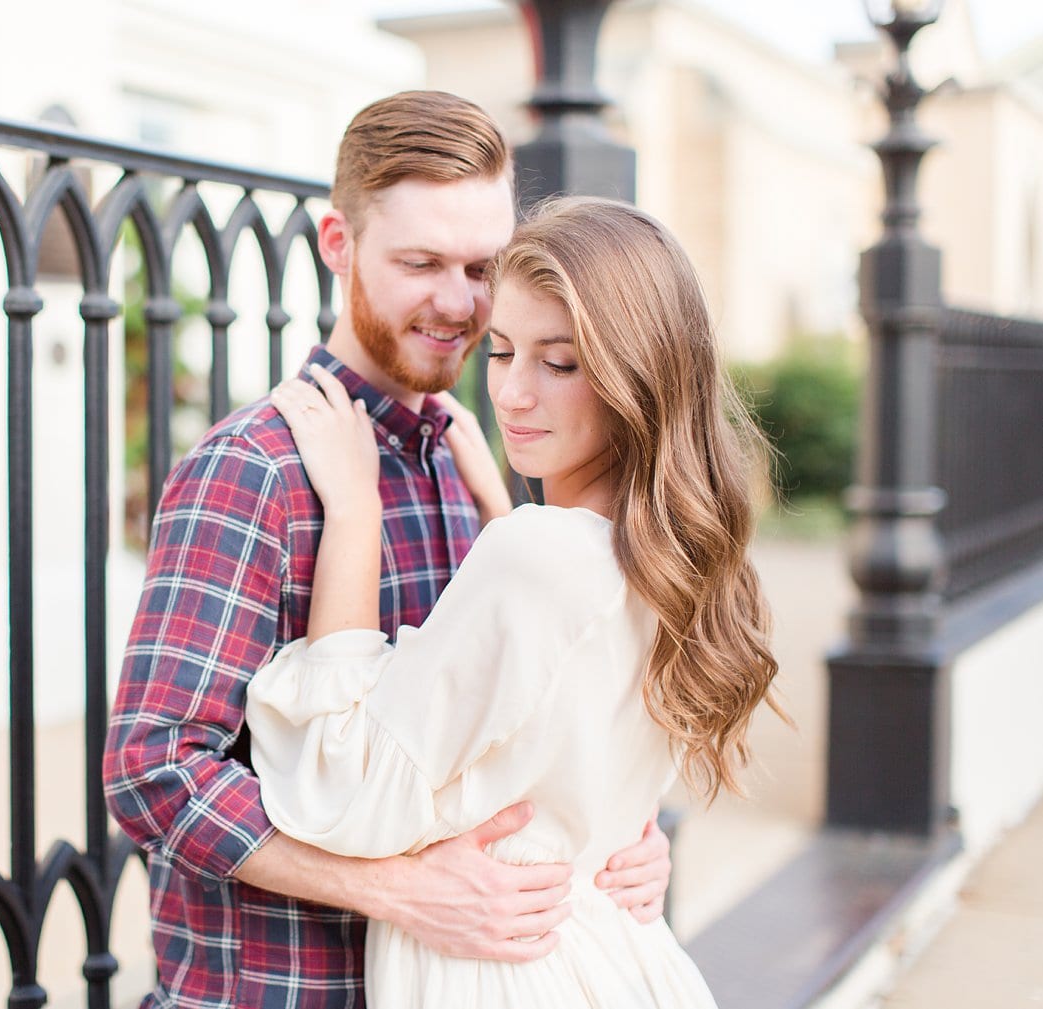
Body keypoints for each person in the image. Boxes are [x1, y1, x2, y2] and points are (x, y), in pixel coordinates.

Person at [103, 92, 673, 1008]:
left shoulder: (475, 463)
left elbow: (505, 734)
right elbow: (153, 769)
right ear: (338, 244)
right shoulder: (252, 470)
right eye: (421, 263)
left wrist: (611, 836)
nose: (458, 302)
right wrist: (394, 889)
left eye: (482, 265)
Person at [245, 195, 786, 1007]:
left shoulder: (536, 555)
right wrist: (506, 510)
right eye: (500, 352)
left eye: (559, 363)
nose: (512, 394)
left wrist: (354, 512)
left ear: (640, 372)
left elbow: (340, 789)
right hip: (616, 958)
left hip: (505, 972)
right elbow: (559, 714)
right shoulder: (678, 554)